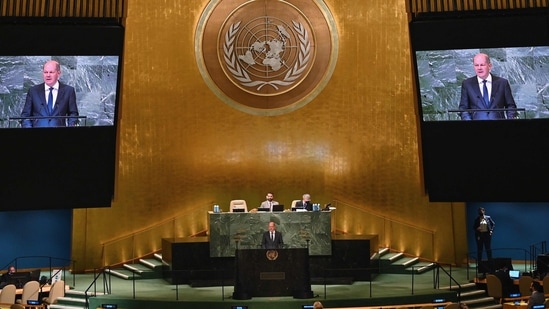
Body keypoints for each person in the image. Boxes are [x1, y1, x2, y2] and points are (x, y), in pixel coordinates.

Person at [459, 53, 517, 120]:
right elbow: (463, 109)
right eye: (476, 65)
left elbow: (511, 106)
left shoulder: (502, 83)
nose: (479, 68)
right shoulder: (467, 84)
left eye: (482, 65)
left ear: (489, 66)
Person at [20, 60, 79, 127]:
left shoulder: (68, 91)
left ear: (59, 73)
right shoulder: (33, 91)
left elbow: (73, 114)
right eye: (45, 72)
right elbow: (25, 116)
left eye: (51, 72)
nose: (48, 75)